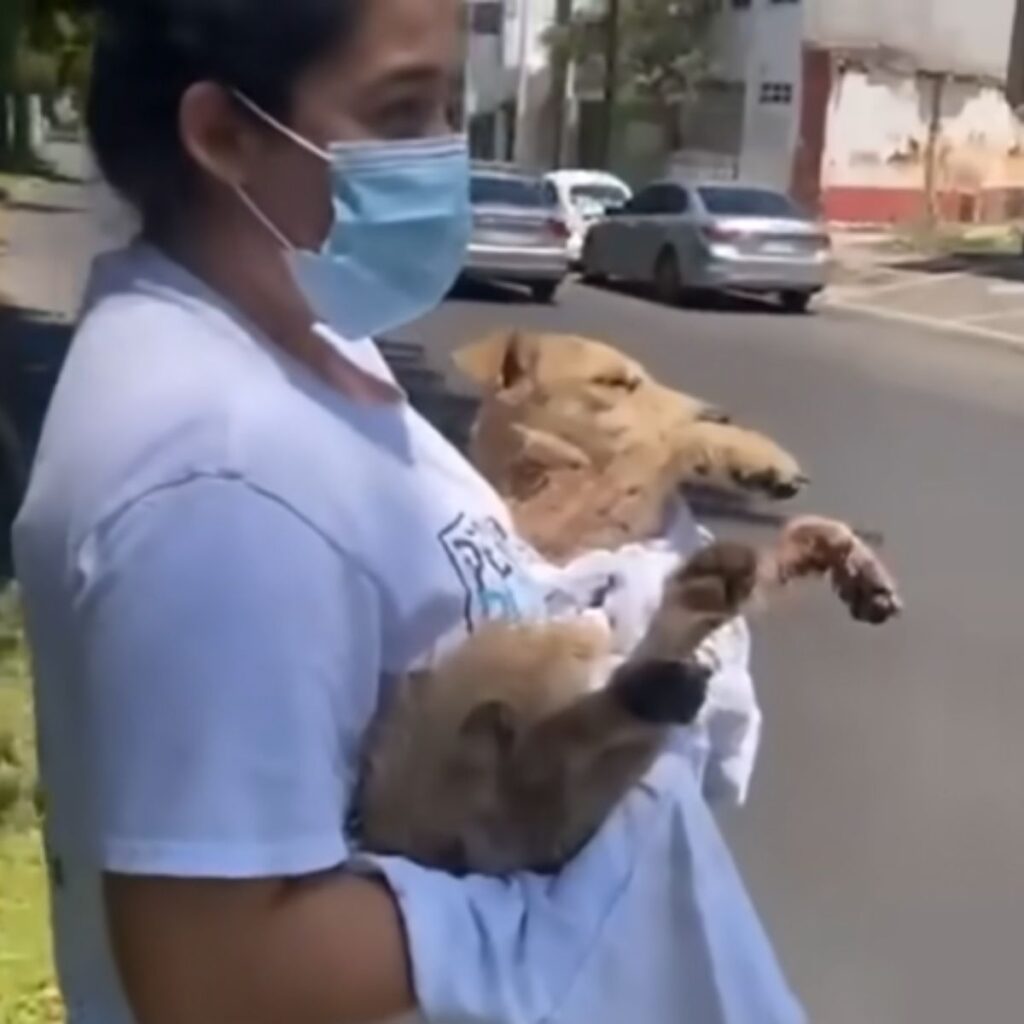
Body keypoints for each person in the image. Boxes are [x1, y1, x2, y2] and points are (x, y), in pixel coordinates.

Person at [12, 1, 807, 1022]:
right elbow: (216, 971)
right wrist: (589, 902)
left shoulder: (309, 337)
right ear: (222, 135)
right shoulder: (214, 482)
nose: (444, 156)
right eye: (398, 112)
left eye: (448, 107)